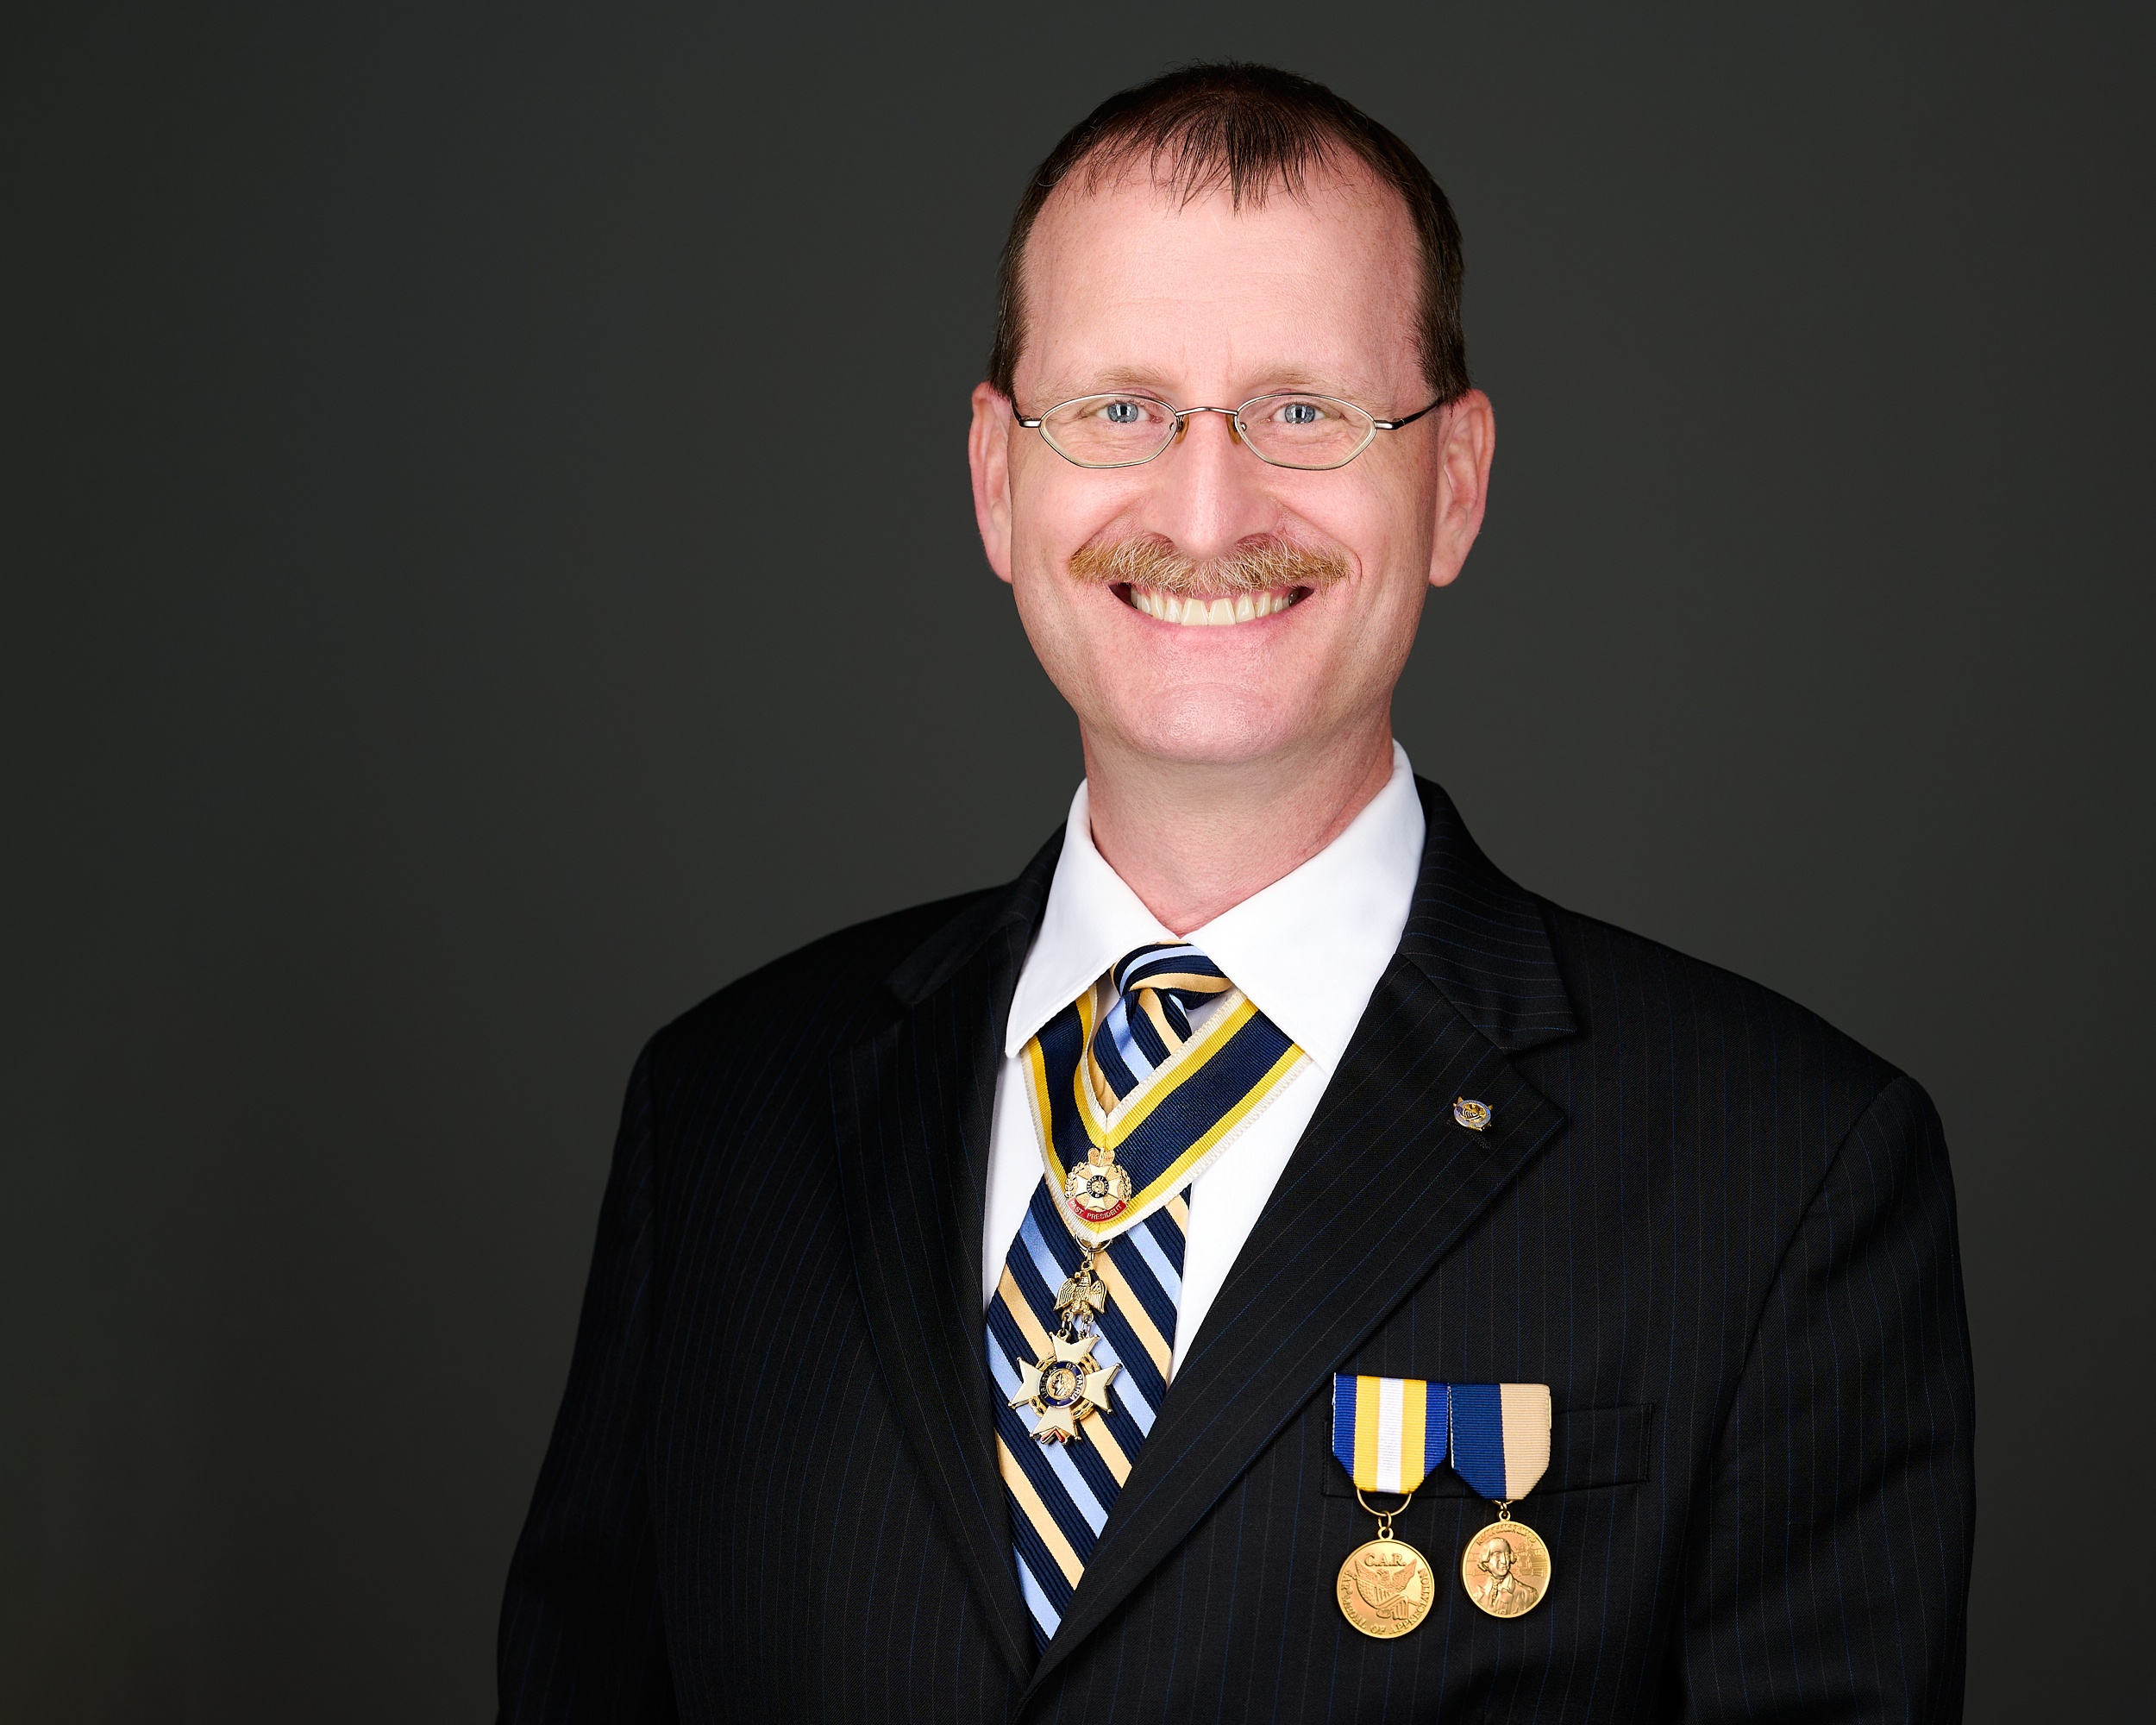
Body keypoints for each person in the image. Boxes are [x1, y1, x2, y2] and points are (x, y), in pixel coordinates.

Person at [497, 63, 1974, 1722]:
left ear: (1457, 484)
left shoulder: (1783, 1174)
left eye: (1304, 413)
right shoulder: (720, 1114)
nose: (1208, 509)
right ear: (998, 478)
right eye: (1121, 409)